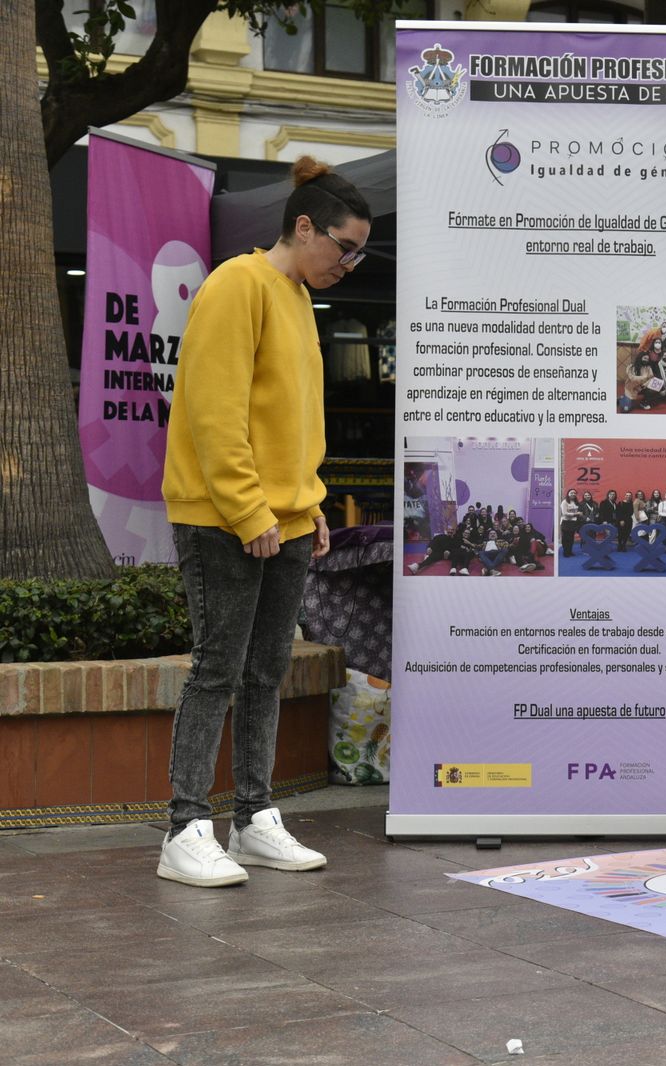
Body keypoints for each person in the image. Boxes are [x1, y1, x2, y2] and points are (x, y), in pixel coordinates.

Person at [157, 155, 370, 887]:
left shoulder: (294, 295)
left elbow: (294, 419)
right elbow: (215, 416)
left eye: (358, 251)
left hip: (283, 517)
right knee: (217, 669)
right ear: (303, 226)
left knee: (265, 671)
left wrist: (309, 504)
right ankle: (186, 826)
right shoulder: (236, 285)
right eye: (344, 246)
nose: (350, 262)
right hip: (224, 516)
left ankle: (252, 818)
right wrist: (252, 510)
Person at [558, 489, 582, 556]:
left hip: (573, 522)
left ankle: (570, 551)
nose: (573, 494)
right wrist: (576, 514)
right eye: (571, 493)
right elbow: (564, 513)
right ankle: (565, 552)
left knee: (571, 538)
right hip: (566, 522)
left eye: (574, 493)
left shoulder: (576, 502)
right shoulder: (564, 502)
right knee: (566, 538)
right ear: (568, 494)